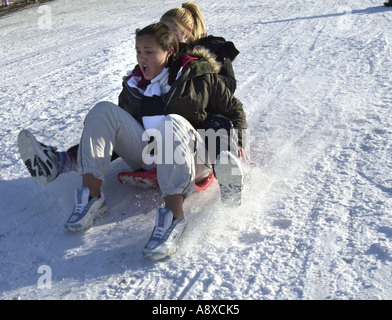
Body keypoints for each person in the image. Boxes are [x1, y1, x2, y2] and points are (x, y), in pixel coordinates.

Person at [18, 22, 247, 260]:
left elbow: (233, 110)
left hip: (192, 159)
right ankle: (91, 197)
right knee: (103, 111)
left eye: (149, 52)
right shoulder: (135, 86)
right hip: (149, 156)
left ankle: (173, 216)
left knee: (172, 122)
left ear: (169, 52)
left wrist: (236, 145)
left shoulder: (198, 77)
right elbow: (111, 136)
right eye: (138, 51)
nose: (142, 58)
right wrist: (76, 155)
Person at [160, 2, 240, 93]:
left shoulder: (214, 48)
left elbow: (229, 85)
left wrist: (199, 77)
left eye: (172, 33)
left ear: (187, 32)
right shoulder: (165, 53)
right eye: (162, 33)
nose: (166, 37)